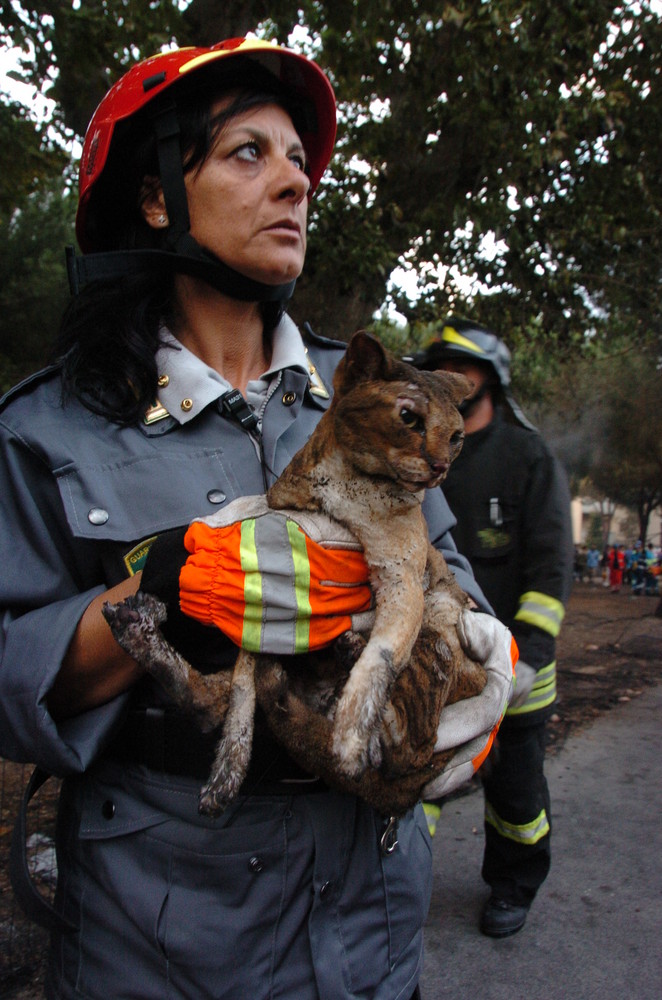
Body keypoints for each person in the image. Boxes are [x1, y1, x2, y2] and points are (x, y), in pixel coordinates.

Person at [0, 40, 515, 999]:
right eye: (250, 153)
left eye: (300, 159)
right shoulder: (49, 427)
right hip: (164, 934)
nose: (296, 181)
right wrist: (163, 591)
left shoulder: (371, 398)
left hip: (371, 921)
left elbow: (456, 580)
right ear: (157, 197)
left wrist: (480, 673)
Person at [410, 318, 574, 939]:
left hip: (518, 672)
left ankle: (514, 882)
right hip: (441, 663)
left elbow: (550, 564)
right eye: (439, 366)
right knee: (419, 777)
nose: (448, 378)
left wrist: (527, 656)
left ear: (490, 381)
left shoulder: (528, 457)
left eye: (463, 367)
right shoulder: (429, 454)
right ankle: (402, 879)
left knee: (515, 793)